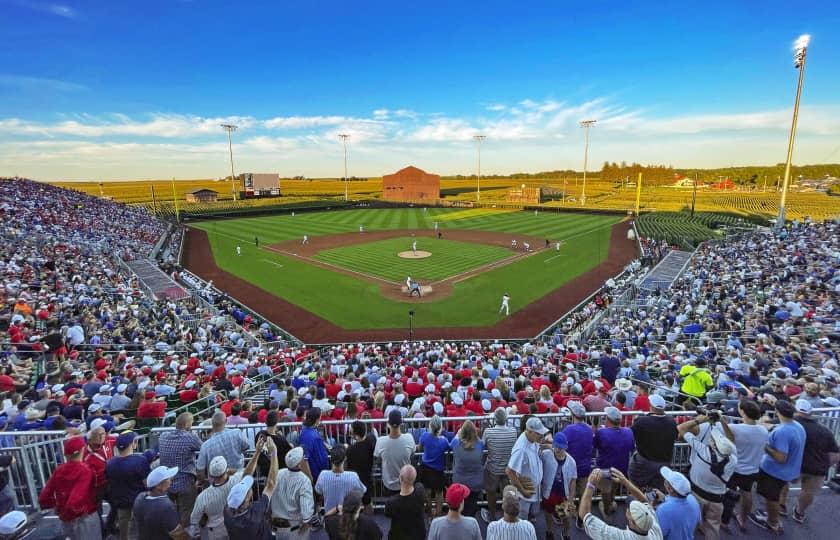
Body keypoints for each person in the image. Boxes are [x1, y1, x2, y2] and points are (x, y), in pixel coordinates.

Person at [677, 412, 737, 540]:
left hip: (697, 493)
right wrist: (722, 421)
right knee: (713, 527)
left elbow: (681, 428)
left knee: (692, 520)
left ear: (714, 445)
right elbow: (731, 440)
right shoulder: (733, 459)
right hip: (717, 497)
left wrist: (699, 420)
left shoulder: (703, 450)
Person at [749, 399, 806, 533]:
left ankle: (772, 522)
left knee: (771, 498)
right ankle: (772, 516)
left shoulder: (782, 432)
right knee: (774, 495)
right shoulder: (798, 426)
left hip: (774, 472)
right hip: (788, 471)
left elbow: (781, 457)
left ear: (777, 411)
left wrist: (764, 444)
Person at [190, 445, 262, 540]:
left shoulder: (203, 497)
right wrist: (257, 452)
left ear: (211, 475)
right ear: (226, 469)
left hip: (216, 532)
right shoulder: (237, 480)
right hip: (237, 526)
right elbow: (248, 472)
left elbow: (194, 519)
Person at [39, 436, 102, 540]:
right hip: (84, 518)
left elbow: (43, 497)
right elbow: (75, 500)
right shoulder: (85, 470)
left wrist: (58, 509)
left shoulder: (59, 469)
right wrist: (70, 513)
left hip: (66, 520)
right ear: (83, 449)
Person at [718, 399, 767, 530]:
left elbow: (724, 439)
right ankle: (743, 519)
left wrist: (722, 421)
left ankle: (724, 521)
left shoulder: (735, 428)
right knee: (747, 493)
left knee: (728, 495)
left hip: (734, 469)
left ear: (743, 412)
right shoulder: (763, 431)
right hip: (752, 469)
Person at [790, 399, 840, 523]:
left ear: (795, 410)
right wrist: (826, 465)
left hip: (793, 465)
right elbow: (836, 454)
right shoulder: (824, 430)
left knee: (781, 484)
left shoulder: (789, 424)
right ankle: (799, 513)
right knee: (808, 491)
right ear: (811, 412)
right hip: (817, 468)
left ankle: (780, 507)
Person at [578, 468, 662, 540]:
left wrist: (590, 485)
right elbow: (645, 502)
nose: (627, 509)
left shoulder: (618, 537)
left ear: (632, 521)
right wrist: (625, 482)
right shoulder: (655, 531)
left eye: (630, 510)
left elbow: (584, 515)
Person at [225, 437, 279, 540]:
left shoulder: (228, 512)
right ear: (246, 501)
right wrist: (274, 452)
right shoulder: (255, 512)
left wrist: (257, 452)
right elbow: (271, 484)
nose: (248, 488)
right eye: (247, 490)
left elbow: (245, 477)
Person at [105, 431, 155, 540]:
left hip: (121, 504)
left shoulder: (110, 463)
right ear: (133, 444)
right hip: (138, 503)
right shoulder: (140, 461)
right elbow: (148, 483)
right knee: (141, 531)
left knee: (125, 534)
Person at [507, 417, 548, 540]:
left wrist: (546, 446)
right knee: (520, 519)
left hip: (532, 489)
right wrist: (523, 491)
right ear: (529, 431)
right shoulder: (521, 449)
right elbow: (509, 471)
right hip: (524, 494)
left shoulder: (531, 440)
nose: (541, 435)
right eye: (538, 433)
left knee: (528, 514)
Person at [158, 412, 203, 527]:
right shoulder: (190, 437)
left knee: (169, 514)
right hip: (185, 482)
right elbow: (203, 447)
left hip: (167, 483)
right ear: (188, 425)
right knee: (186, 513)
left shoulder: (163, 436)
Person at [629, 394, 677, 491]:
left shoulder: (641, 421)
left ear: (650, 405)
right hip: (664, 463)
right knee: (659, 490)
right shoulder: (672, 422)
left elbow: (631, 435)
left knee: (635, 484)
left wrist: (636, 420)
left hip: (644, 462)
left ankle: (637, 501)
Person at [130, 466, 188, 540]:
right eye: (168, 479)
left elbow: (133, 525)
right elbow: (178, 534)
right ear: (159, 486)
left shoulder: (140, 498)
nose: (171, 479)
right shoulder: (166, 506)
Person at [481, 407, 519, 523]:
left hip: (493, 468)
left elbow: (483, 447)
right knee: (507, 493)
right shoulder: (513, 431)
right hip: (508, 468)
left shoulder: (488, 431)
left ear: (495, 419)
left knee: (491, 492)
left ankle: (492, 516)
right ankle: (506, 516)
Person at [271, 447, 317, 537]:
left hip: (276, 527)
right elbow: (306, 514)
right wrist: (305, 528)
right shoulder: (304, 481)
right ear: (299, 464)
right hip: (295, 529)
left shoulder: (278, 473)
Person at [540, 432, 577, 540]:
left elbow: (573, 482)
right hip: (549, 493)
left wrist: (570, 500)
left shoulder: (571, 462)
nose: (558, 450)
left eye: (561, 448)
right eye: (556, 447)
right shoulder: (546, 454)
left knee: (566, 518)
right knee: (548, 514)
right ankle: (549, 531)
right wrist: (546, 443)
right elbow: (536, 447)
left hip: (563, 495)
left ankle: (565, 533)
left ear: (565, 447)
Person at [197, 412, 250, 480]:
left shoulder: (205, 446)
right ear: (226, 421)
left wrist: (202, 482)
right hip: (238, 477)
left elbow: (200, 469)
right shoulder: (237, 433)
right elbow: (246, 447)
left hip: (217, 483)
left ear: (212, 424)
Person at [374, 409, 416, 496]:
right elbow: (412, 455)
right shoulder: (409, 438)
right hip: (406, 484)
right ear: (401, 424)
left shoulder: (380, 441)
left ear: (388, 424)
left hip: (389, 485)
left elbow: (377, 460)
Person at [316, 445, 367, 515]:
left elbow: (318, 492)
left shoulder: (322, 475)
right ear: (345, 458)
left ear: (331, 458)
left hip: (329, 518)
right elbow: (362, 492)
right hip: (347, 519)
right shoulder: (353, 476)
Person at [450, 420, 485, 517]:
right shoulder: (480, 444)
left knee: (460, 506)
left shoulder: (456, 442)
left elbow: (450, 445)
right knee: (472, 507)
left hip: (459, 482)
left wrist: (458, 434)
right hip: (476, 482)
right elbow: (480, 443)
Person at [656, 467, 700, 540]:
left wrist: (650, 507)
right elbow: (698, 523)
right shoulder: (693, 499)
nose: (665, 480)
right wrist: (665, 499)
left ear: (670, 489)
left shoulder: (663, 510)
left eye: (667, 481)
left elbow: (658, 535)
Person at [384, 465, 426, 540]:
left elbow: (387, 514)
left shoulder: (391, 502)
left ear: (400, 478)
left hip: (398, 536)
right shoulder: (420, 491)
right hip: (418, 535)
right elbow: (418, 485)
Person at [418, 415, 449, 516]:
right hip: (438, 470)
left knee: (427, 492)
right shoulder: (444, 441)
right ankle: (438, 516)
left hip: (426, 468)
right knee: (439, 493)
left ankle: (430, 514)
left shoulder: (425, 436)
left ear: (430, 425)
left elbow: (419, 448)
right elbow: (448, 448)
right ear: (441, 427)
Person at [346, 421, 376, 511]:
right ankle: (370, 521)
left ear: (354, 432)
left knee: (355, 505)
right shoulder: (371, 442)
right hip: (367, 478)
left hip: (356, 481)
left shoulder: (350, 450)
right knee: (368, 502)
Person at [300, 407, 330, 483]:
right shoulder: (315, 437)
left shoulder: (303, 431)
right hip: (317, 473)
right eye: (320, 417)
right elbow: (321, 460)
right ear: (317, 419)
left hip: (310, 471)